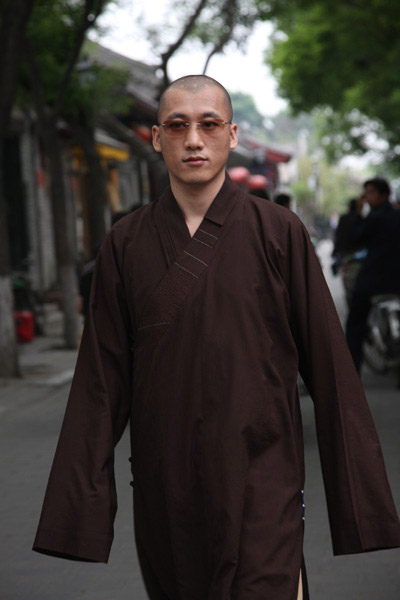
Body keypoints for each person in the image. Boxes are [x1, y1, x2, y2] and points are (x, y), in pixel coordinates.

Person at [33, 76, 400, 600]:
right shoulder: (126, 242)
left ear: (231, 134)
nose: (193, 140)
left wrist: (361, 504)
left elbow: (331, 368)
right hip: (166, 482)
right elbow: (100, 383)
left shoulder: (279, 232)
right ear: (156, 138)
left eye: (208, 124)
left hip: (264, 474)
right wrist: (77, 516)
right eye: (177, 126)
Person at [345, 177, 400, 371]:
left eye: (371, 192)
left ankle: (352, 372)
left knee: (355, 326)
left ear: (384, 195)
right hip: (396, 281)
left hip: (373, 280)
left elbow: (355, 238)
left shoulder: (375, 217)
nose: (367, 197)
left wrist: (358, 213)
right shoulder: (396, 215)